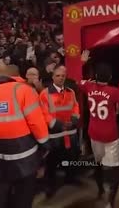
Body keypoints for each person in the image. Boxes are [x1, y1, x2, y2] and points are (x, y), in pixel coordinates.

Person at [0, 62, 50, 208]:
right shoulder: (24, 90)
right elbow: (36, 123)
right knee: (23, 198)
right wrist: (45, 143)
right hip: (25, 158)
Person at [80, 50, 119, 208]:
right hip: (110, 135)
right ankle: (110, 202)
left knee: (98, 163)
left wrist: (82, 62)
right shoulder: (114, 92)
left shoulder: (88, 86)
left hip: (94, 133)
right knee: (113, 170)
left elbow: (77, 80)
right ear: (109, 77)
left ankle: (100, 190)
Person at [39, 65, 80, 198]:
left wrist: (74, 119)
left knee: (71, 158)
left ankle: (70, 178)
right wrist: (58, 124)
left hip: (70, 133)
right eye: (58, 75)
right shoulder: (45, 93)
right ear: (52, 77)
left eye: (63, 76)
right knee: (51, 163)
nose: (61, 78)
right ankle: (49, 187)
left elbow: (75, 107)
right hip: (55, 134)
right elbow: (44, 113)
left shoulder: (70, 92)